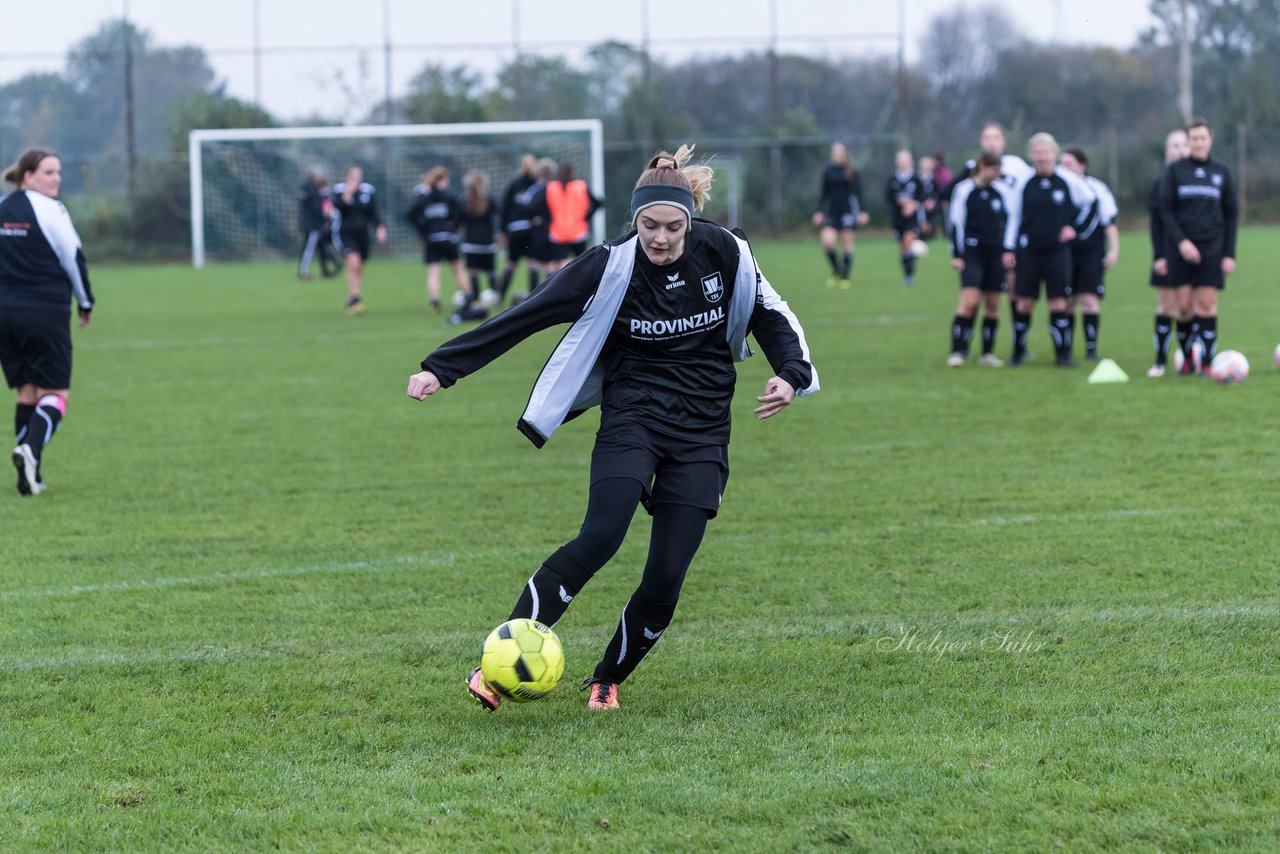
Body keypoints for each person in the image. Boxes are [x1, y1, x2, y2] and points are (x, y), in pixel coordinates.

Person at [406, 146, 818, 712]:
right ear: (635, 220)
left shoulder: (725, 252)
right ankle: (496, 666)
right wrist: (441, 368)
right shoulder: (610, 264)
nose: (661, 239)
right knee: (601, 534)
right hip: (634, 417)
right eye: (650, 226)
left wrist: (791, 375)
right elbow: (527, 313)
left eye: (674, 227)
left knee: (666, 577)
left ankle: (608, 678)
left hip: (702, 431)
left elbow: (769, 312)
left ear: (691, 220)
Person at [0, 148, 94, 496]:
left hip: (5, 314)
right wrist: (86, 302)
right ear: (28, 176)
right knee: (55, 394)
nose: (56, 179)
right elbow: (73, 257)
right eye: (48, 172)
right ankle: (30, 450)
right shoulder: (51, 210)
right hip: (45, 312)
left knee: (27, 392)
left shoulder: (1, 208)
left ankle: (29, 477)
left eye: (58, 172)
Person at [1002, 132, 1095, 367]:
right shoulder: (1024, 182)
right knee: (1024, 302)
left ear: (1054, 153)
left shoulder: (1067, 180)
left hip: (1057, 251)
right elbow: (1013, 216)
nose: (1042, 156)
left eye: (1046, 151)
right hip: (1029, 250)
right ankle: (1018, 351)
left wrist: (1074, 228)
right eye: (1038, 151)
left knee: (1058, 303)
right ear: (1032, 154)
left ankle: (1062, 355)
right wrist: (1009, 249)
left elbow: (1091, 203)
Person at [1159, 118, 1238, 374]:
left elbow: (1231, 215)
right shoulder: (1175, 171)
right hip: (1180, 247)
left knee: (1206, 305)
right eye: (1194, 138)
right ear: (1188, 141)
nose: (1198, 142)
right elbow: (1166, 211)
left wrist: (1229, 253)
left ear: (1210, 140)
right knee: (1183, 307)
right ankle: (1187, 357)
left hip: (1212, 246)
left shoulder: (1221, 172)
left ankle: (1206, 363)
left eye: (1202, 138)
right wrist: (1181, 242)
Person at [946, 152, 1011, 367]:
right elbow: (956, 223)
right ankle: (957, 351)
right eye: (993, 169)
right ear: (982, 166)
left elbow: (1008, 221)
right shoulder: (965, 190)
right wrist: (957, 254)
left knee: (992, 305)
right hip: (972, 253)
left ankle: (987, 354)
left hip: (995, 254)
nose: (996, 174)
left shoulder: (1000, 191)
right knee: (970, 301)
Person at [1059, 146, 1119, 362]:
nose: (1064, 169)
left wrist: (1114, 250)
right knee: (1066, 301)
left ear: (1082, 165)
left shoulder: (1097, 189)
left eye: (1069, 164)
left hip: (1092, 252)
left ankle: (1091, 349)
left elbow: (1109, 223)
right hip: (1064, 253)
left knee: (1090, 300)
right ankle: (1064, 348)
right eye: (1062, 164)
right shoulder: (1059, 188)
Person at [1145, 129, 1191, 378]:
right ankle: (1160, 362)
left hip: (1194, 254)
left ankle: (1191, 359)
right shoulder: (1161, 182)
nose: (1180, 149)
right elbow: (1157, 225)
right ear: (1167, 152)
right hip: (1167, 253)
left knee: (1190, 308)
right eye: (1174, 145)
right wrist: (1159, 256)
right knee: (1166, 307)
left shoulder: (1196, 179)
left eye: (1184, 144)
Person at [404, 165, 473, 318]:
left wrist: (423, 230)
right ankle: (469, 297)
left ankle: (435, 302)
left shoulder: (423, 197)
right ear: (443, 180)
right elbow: (462, 211)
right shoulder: (447, 196)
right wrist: (453, 225)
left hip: (431, 239)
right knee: (458, 268)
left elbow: (410, 214)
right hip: (447, 238)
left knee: (434, 271)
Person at [330, 164, 387, 315]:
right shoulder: (339, 190)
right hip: (345, 234)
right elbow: (337, 207)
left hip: (363, 234)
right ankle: (353, 299)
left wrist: (379, 227)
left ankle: (355, 296)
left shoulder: (368, 191)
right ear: (347, 177)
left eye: (358, 176)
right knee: (353, 262)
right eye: (353, 176)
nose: (356, 179)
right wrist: (348, 193)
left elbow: (374, 212)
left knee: (359, 266)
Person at [811, 142, 868, 289]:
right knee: (827, 241)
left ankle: (845, 277)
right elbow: (824, 193)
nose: (836, 154)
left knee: (846, 243)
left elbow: (859, 192)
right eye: (834, 152)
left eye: (838, 151)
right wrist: (819, 211)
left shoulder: (852, 171)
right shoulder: (828, 171)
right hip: (831, 211)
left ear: (844, 153)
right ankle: (838, 270)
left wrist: (862, 211)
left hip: (847, 210)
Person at [497, 154, 538, 306]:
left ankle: (499, 300)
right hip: (532, 230)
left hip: (515, 230)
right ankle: (534, 300)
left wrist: (503, 231)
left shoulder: (513, 185)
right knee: (533, 263)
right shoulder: (537, 184)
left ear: (521, 166)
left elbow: (504, 209)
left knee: (511, 264)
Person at [460, 168, 501, 310]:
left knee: (473, 272)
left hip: (470, 243)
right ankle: (495, 299)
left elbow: (459, 221)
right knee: (491, 271)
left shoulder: (465, 200)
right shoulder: (490, 199)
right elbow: (499, 214)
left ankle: (475, 300)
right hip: (487, 242)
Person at [546, 162, 602, 263]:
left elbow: (540, 207)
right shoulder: (580, 186)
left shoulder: (551, 187)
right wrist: (586, 217)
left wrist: (548, 219)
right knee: (581, 263)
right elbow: (597, 203)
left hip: (558, 232)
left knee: (560, 265)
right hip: (578, 231)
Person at [885, 150, 924, 286]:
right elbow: (888, 197)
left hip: (912, 218)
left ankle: (910, 276)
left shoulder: (916, 178)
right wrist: (899, 201)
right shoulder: (893, 179)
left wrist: (912, 204)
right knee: (902, 247)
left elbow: (922, 196)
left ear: (910, 162)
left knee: (908, 240)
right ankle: (908, 273)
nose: (903, 163)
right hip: (898, 218)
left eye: (905, 160)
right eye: (900, 160)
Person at [524, 157, 564, 286]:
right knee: (551, 263)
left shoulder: (536, 190)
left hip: (540, 230)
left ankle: (533, 295)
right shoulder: (558, 188)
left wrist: (536, 217)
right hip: (556, 230)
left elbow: (528, 206)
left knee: (534, 262)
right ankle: (551, 292)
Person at [296, 167, 337, 280]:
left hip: (317, 225)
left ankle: (325, 270)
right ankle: (303, 272)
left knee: (321, 248)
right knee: (308, 248)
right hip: (312, 225)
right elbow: (316, 208)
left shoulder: (318, 189)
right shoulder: (308, 188)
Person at [916, 155, 943, 242]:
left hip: (931, 210)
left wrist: (933, 201)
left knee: (930, 226)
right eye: (923, 168)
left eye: (928, 168)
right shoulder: (916, 180)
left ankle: (930, 235)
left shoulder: (935, 180)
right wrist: (923, 201)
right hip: (919, 208)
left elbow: (939, 194)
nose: (925, 170)